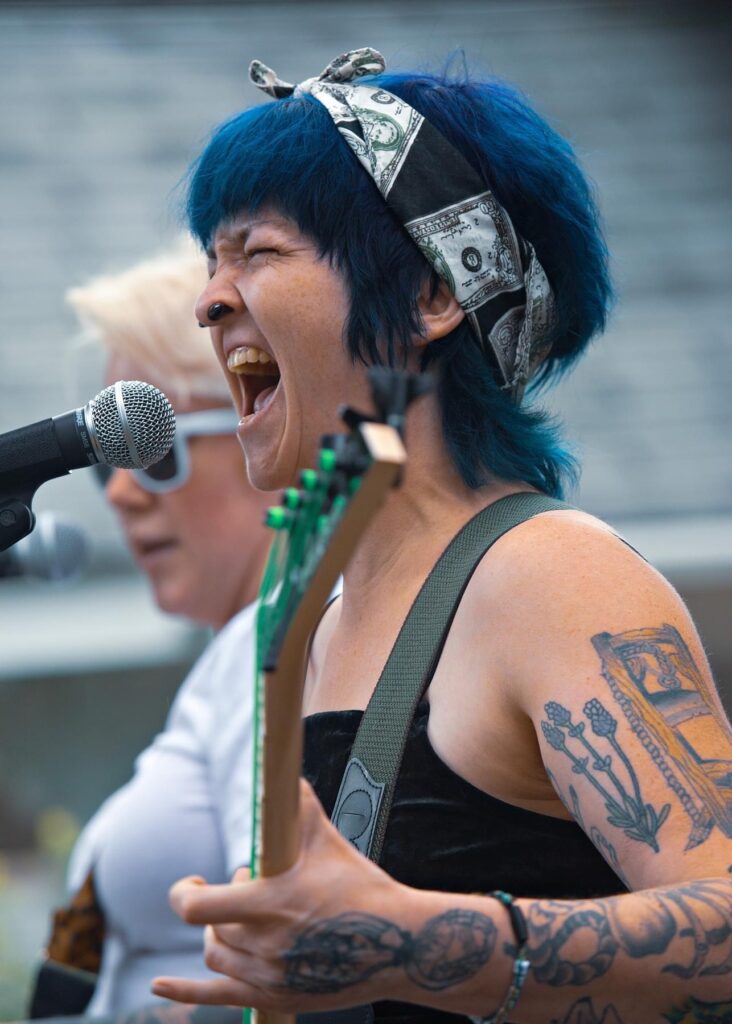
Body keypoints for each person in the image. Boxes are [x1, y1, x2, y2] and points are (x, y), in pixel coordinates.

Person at [150, 50, 732, 1024]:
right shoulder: (315, 623)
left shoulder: (548, 575)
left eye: (256, 251)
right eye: (211, 260)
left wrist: (420, 942)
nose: (208, 297)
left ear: (430, 295)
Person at [57, 243, 273, 1018]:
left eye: (153, 451)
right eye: (103, 460)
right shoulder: (241, 652)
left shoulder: (288, 644)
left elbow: (284, 955)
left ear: (262, 425)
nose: (118, 492)